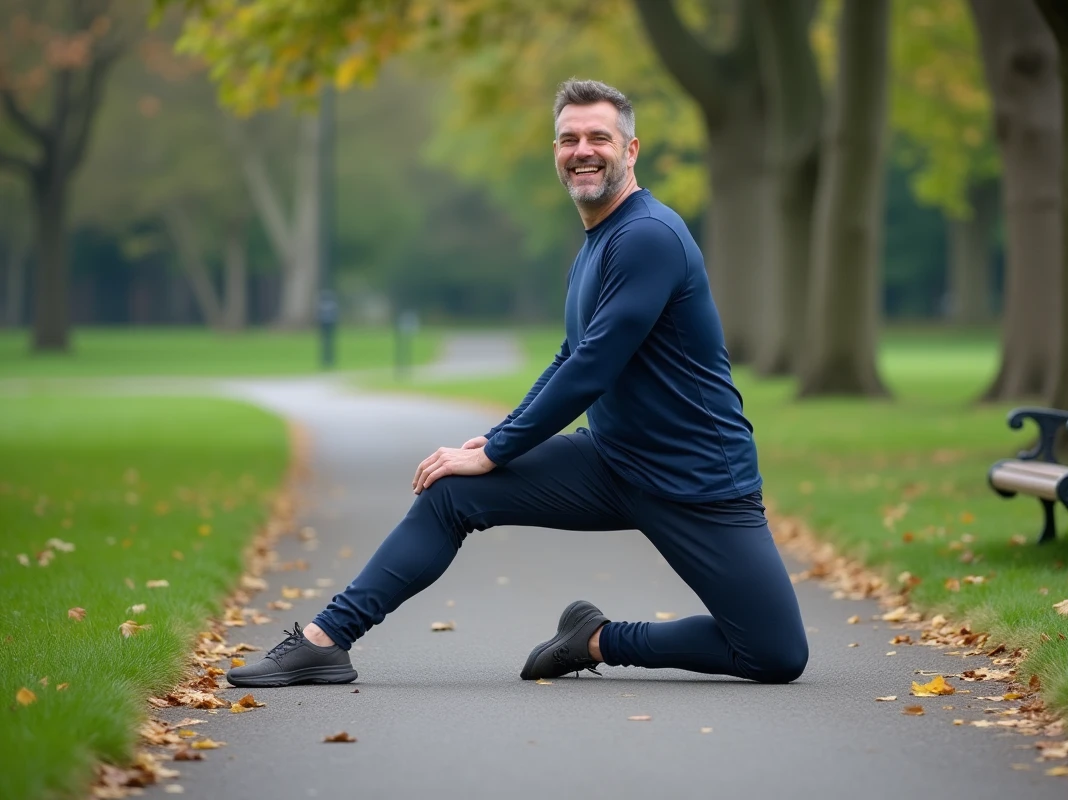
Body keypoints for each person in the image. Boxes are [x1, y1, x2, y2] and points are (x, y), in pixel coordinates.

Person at [228, 79, 809, 689]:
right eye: (569, 138)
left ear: (631, 151)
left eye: (598, 138)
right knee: (453, 492)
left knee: (774, 654)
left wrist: (502, 449)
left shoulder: (648, 237)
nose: (582, 150)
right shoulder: (595, 245)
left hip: (698, 479)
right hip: (614, 463)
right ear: (556, 152)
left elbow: (593, 369)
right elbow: (570, 355)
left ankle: (593, 639)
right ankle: (323, 642)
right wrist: (490, 444)